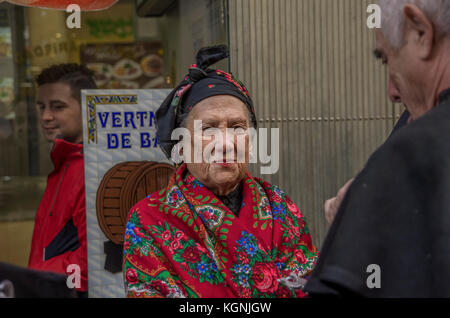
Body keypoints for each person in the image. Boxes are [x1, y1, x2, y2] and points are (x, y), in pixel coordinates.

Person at [123, 46, 318, 298]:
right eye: (209, 128)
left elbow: (308, 286)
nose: (226, 143)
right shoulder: (149, 220)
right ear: (181, 144)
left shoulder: (280, 207)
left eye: (237, 127)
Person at [305, 0, 450, 297]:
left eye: (387, 59)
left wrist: (361, 225)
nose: (392, 93)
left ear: (421, 32)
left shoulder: (414, 156)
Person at [28, 64, 97, 296]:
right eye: (41, 107)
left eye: (58, 107)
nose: (46, 116)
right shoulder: (64, 163)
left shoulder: (93, 170)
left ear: (87, 108)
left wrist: (34, 278)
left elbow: (92, 262)